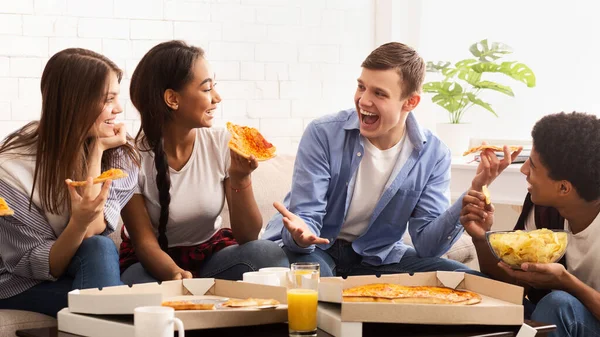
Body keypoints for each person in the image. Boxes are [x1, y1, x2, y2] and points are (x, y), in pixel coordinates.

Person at [262, 41, 520, 277]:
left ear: (411, 102)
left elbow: (427, 246)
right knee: (320, 286)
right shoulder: (323, 133)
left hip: (376, 257)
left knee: (466, 281)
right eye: (361, 86)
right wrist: (301, 235)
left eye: (379, 94)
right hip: (316, 250)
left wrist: (472, 194)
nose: (363, 100)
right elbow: (307, 217)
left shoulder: (433, 154)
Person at [119, 40, 289, 284]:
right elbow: (145, 243)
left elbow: (248, 236)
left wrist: (241, 178)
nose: (217, 98)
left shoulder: (222, 142)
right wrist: (176, 277)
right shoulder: (130, 157)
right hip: (152, 261)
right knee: (141, 286)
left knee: (267, 254)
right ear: (172, 99)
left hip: (209, 256)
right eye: (207, 89)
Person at [0, 48, 139, 317]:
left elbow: (93, 231)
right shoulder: (11, 171)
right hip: (23, 284)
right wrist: (77, 222)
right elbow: (43, 264)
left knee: (99, 246)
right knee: (115, 303)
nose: (119, 108)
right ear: (76, 103)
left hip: (85, 267)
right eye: (108, 99)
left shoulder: (118, 154)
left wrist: (97, 150)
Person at [461, 112, 600, 337]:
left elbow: (562, 300)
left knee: (558, 304)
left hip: (581, 320)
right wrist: (481, 237)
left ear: (564, 188)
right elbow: (514, 286)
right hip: (553, 318)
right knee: (471, 285)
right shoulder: (543, 207)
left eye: (533, 166)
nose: (524, 170)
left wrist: (567, 282)